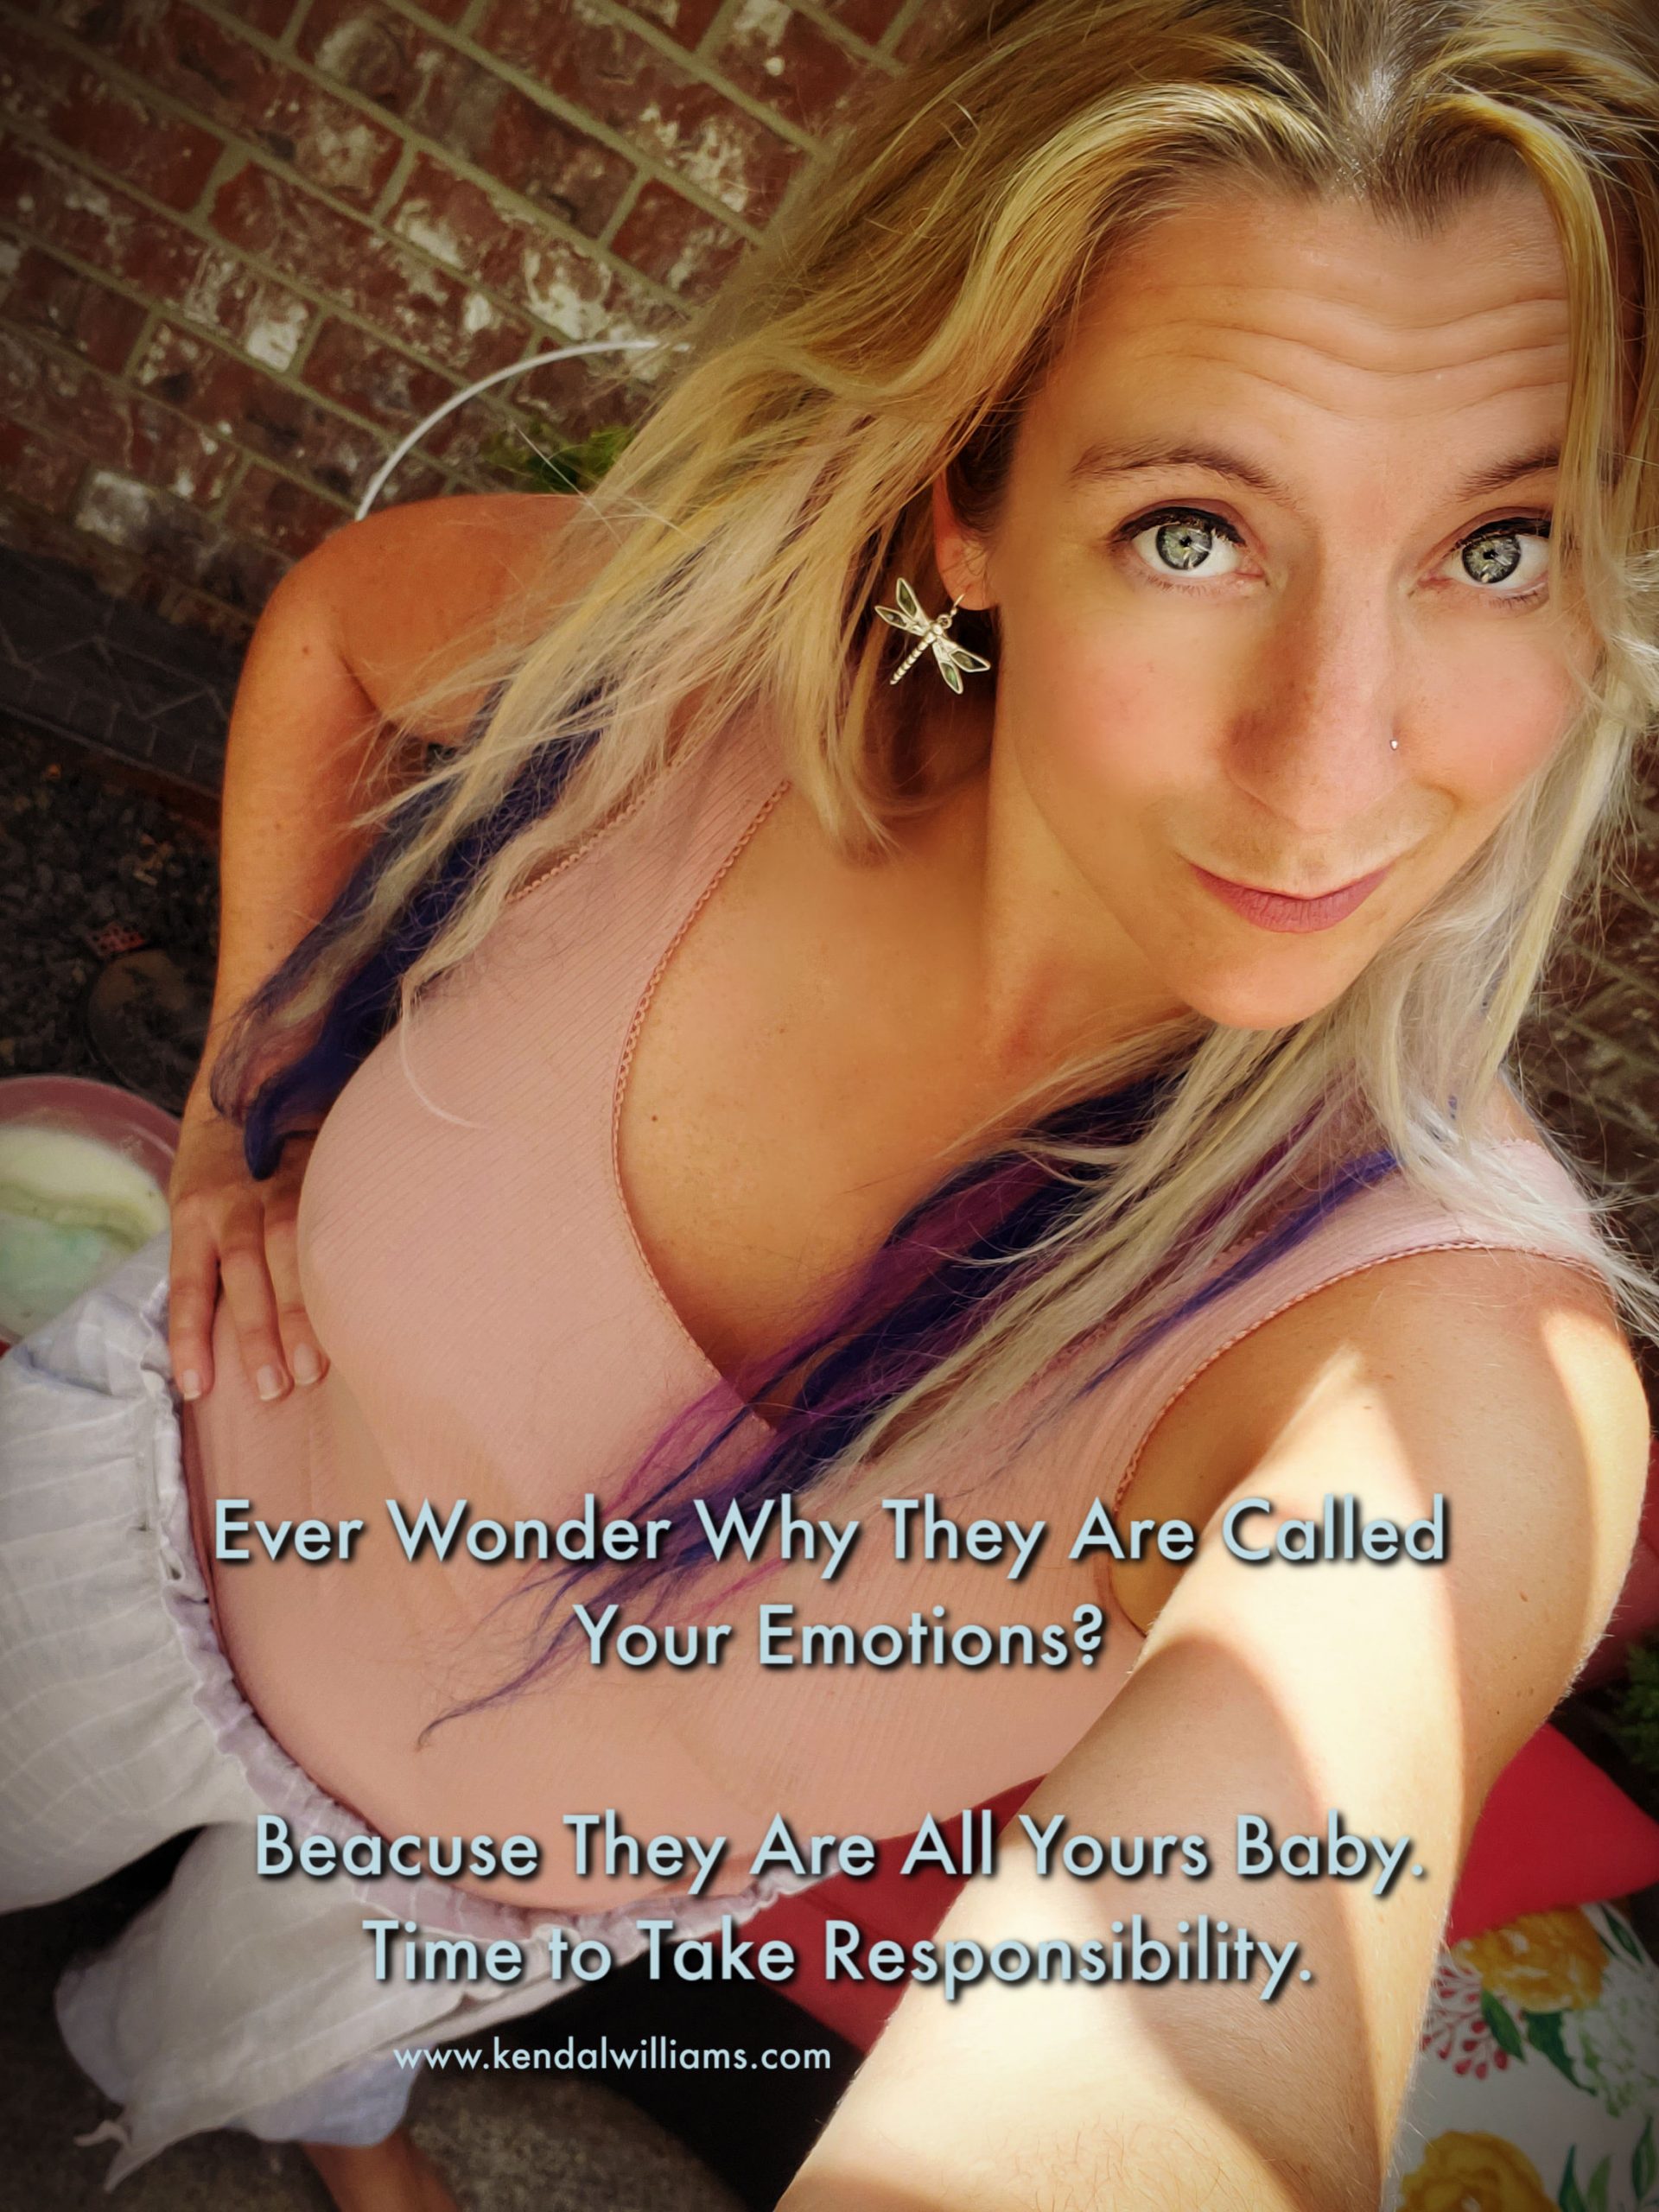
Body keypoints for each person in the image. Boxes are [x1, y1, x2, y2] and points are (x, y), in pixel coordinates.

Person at [3, 0, 1659, 2205]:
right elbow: (345, 636)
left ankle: (317, 2097)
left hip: (483, 1890)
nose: (1333, 759)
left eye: (1500, 544)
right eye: (1192, 528)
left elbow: (1214, 2006)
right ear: (969, 507)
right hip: (126, 1548)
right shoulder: (691, 702)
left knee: (249, 2018)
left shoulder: (1443, 1355)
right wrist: (239, 1103)